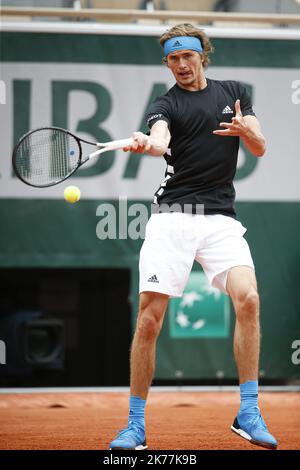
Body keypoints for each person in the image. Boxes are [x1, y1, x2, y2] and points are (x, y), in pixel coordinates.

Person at [109, 23, 277, 450]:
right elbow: (160, 139)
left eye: (187, 56)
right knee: (149, 320)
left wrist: (247, 131)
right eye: (172, 59)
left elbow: (259, 146)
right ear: (167, 62)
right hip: (172, 218)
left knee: (250, 300)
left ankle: (248, 411)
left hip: (221, 219)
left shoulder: (235, 92)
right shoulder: (164, 103)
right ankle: (135, 425)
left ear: (202, 54)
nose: (181, 65)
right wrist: (148, 143)